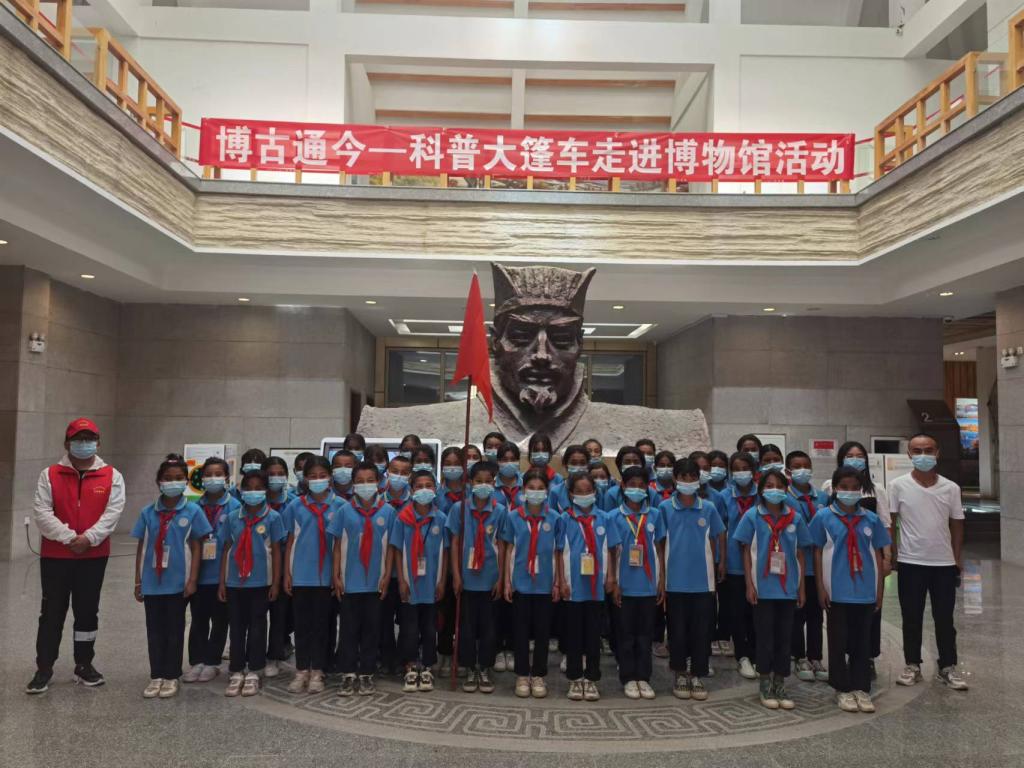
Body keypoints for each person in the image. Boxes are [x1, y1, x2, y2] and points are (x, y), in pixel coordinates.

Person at [27, 417, 126, 695]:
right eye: (78, 439)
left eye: (89, 439)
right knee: (51, 612)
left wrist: (89, 539)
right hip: (56, 556)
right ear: (66, 443)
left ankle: (84, 664)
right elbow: (42, 512)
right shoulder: (49, 475)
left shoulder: (112, 476)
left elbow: (113, 513)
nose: (84, 443)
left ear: (98, 442)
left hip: (93, 556)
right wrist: (71, 538)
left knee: (87, 611)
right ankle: (44, 667)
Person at [889, 433, 968, 691]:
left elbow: (957, 524)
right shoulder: (898, 485)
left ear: (937, 452)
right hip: (911, 562)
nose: (923, 455)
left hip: (943, 564)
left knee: (944, 618)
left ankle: (948, 666)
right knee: (911, 616)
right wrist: (893, 553)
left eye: (928, 450)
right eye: (917, 450)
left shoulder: (950, 488)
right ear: (909, 454)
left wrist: (956, 557)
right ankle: (912, 665)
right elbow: (891, 521)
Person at [810, 467, 891, 713]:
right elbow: (816, 552)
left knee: (862, 641)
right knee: (837, 640)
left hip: (865, 590)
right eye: (844, 487)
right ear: (835, 488)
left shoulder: (871, 519)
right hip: (837, 590)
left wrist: (879, 591)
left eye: (855, 488)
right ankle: (842, 688)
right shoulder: (823, 517)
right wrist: (820, 587)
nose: (849, 492)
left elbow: (878, 555)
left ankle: (861, 687)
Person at [132, 454, 209, 699]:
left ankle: (172, 674)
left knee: (175, 630)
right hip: (152, 582)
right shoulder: (148, 512)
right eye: (167, 478)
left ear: (186, 481)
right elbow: (142, 547)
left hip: (178, 582)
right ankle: (156, 674)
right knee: (154, 630)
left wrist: (192, 580)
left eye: (178, 478)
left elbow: (197, 546)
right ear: (159, 481)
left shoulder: (193, 511)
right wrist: (138, 580)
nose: (172, 482)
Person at [733, 469, 810, 711]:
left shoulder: (795, 518)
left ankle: (780, 682)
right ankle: (765, 681)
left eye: (779, 485)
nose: (774, 490)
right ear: (761, 490)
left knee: (785, 638)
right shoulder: (752, 516)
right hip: (762, 588)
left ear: (786, 489)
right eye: (769, 485)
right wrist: (749, 584)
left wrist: (801, 588)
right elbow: (746, 552)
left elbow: (800, 553)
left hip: (787, 588)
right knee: (764, 637)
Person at [821, 441, 892, 677]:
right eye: (850, 455)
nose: (855, 459)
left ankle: (866, 657)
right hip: (840, 562)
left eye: (859, 455)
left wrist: (887, 557)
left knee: (869, 613)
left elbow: (885, 524)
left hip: (867, 559)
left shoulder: (876, 489)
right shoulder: (829, 487)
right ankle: (840, 664)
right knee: (839, 617)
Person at [660, 458, 725, 701]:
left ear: (698, 480)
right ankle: (679, 673)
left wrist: (721, 562)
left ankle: (697, 673)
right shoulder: (664, 508)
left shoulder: (708, 508)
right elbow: (660, 544)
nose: (688, 482)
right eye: (683, 477)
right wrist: (661, 577)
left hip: (703, 582)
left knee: (702, 631)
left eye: (692, 477)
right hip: (675, 581)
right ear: (675, 479)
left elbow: (719, 535)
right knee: (677, 630)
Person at [329, 462, 396, 697]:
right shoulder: (344, 511)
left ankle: (367, 672)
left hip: (375, 583)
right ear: (353, 484)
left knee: (371, 630)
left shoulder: (388, 512)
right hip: (350, 583)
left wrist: (387, 576)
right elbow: (337, 546)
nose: (365, 485)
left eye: (370, 480)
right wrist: (336, 576)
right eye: (360, 481)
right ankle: (347, 673)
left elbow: (391, 549)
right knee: (348, 631)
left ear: (378, 482)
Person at [218, 470, 285, 697]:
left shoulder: (273, 518)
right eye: (249, 488)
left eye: (258, 488)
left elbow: (276, 552)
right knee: (236, 627)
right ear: (241, 491)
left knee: (258, 626)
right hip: (235, 582)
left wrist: (275, 583)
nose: (253, 492)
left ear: (265, 491)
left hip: (261, 582)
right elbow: (226, 549)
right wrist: (222, 582)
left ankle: (255, 669)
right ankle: (236, 669)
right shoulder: (232, 518)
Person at [501, 468, 563, 698]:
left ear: (547, 491)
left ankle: (538, 674)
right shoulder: (513, 517)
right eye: (531, 488)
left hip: (545, 584)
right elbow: (508, 549)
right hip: (521, 583)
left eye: (540, 488)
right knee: (520, 631)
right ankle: (521, 674)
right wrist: (506, 582)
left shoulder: (555, 518)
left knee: (542, 632)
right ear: (523, 490)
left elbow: (558, 552)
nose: (536, 492)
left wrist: (557, 582)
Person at [283, 456, 342, 695]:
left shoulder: (340, 506)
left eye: (322, 476)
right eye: (313, 476)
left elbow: (341, 546)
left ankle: (317, 670)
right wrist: (287, 574)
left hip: (326, 577)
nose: (318, 480)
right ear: (305, 479)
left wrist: (336, 575)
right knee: (302, 625)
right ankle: (301, 670)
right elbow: (290, 542)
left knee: (322, 626)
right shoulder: (295, 506)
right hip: (301, 576)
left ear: (330, 477)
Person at [558, 473, 618, 702]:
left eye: (588, 491)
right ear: (571, 494)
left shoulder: (604, 518)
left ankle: (592, 678)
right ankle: (575, 678)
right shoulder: (564, 519)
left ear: (595, 492)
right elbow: (558, 552)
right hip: (573, 586)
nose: (584, 495)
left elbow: (611, 550)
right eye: (579, 492)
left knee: (593, 636)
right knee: (573, 635)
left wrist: (611, 577)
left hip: (596, 587)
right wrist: (561, 581)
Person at [447, 460, 506, 694]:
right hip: (466, 578)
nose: (483, 485)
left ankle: (485, 667)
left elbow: (502, 545)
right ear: (470, 483)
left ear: (494, 483)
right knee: (467, 627)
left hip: (490, 578)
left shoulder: (500, 511)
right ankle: (470, 666)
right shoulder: (459, 509)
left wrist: (501, 578)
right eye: (478, 481)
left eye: (488, 481)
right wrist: (456, 575)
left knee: (489, 628)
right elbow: (454, 543)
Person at [390, 470, 449, 693]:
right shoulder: (402, 518)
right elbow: (397, 551)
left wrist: (442, 581)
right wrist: (401, 581)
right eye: (419, 486)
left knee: (430, 628)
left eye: (429, 485)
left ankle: (427, 666)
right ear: (411, 489)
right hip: (410, 584)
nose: (424, 490)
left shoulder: (441, 519)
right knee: (409, 628)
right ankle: (411, 665)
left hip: (432, 584)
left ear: (435, 489)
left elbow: (445, 553)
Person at [607, 466, 663, 700]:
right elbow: (611, 552)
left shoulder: (655, 515)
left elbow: (660, 549)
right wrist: (613, 581)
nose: (637, 490)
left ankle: (644, 677)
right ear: (623, 486)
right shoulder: (613, 517)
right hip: (624, 585)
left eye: (641, 486)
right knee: (626, 635)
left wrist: (662, 581)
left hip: (648, 586)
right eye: (632, 485)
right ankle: (629, 677)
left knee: (645, 635)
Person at [184, 457, 239, 685]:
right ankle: (197, 660)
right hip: (198, 574)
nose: (213, 478)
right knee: (198, 619)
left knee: (220, 620)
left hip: (222, 575)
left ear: (226, 478)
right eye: (208, 474)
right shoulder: (194, 507)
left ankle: (212, 661)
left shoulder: (235, 506)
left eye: (218, 474)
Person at [786, 450, 829, 683]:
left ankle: (815, 656)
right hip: (796, 565)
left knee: (816, 615)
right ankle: (799, 656)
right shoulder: (784, 497)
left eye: (806, 465)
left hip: (818, 566)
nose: (802, 470)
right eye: (796, 466)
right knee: (797, 613)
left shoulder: (822, 497)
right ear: (788, 471)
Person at [723, 451, 759, 680]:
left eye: (745, 468)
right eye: (736, 469)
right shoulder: (724, 496)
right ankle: (742, 655)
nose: (741, 473)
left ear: (753, 471)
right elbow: (719, 530)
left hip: (758, 561)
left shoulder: (762, 495)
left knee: (756, 611)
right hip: (734, 562)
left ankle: (756, 653)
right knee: (737, 611)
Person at [379, 453, 413, 674]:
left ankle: (405, 659)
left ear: (410, 476)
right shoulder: (377, 500)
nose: (399, 476)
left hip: (408, 572)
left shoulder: (416, 502)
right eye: (395, 471)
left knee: (408, 619)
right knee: (383, 619)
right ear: (387, 473)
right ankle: (386, 658)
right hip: (382, 572)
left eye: (404, 473)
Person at [264, 456, 297, 678]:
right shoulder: (254, 502)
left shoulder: (293, 502)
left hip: (284, 565)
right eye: (271, 474)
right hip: (258, 566)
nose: (276, 478)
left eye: (280, 474)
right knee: (257, 616)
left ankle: (274, 654)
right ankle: (253, 654)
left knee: (280, 614)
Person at [495, 442, 525, 509]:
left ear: (518, 461)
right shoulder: (491, 484)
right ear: (498, 461)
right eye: (504, 459)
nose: (509, 463)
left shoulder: (526, 481)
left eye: (513, 459)